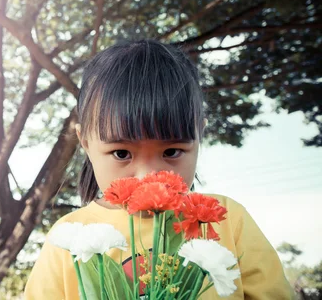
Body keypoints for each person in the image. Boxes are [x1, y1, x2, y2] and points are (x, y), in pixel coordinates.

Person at [24, 39, 293, 299]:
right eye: (121, 153)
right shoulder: (68, 237)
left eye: (171, 152)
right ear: (85, 143)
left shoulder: (227, 221)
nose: (148, 177)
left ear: (200, 136)